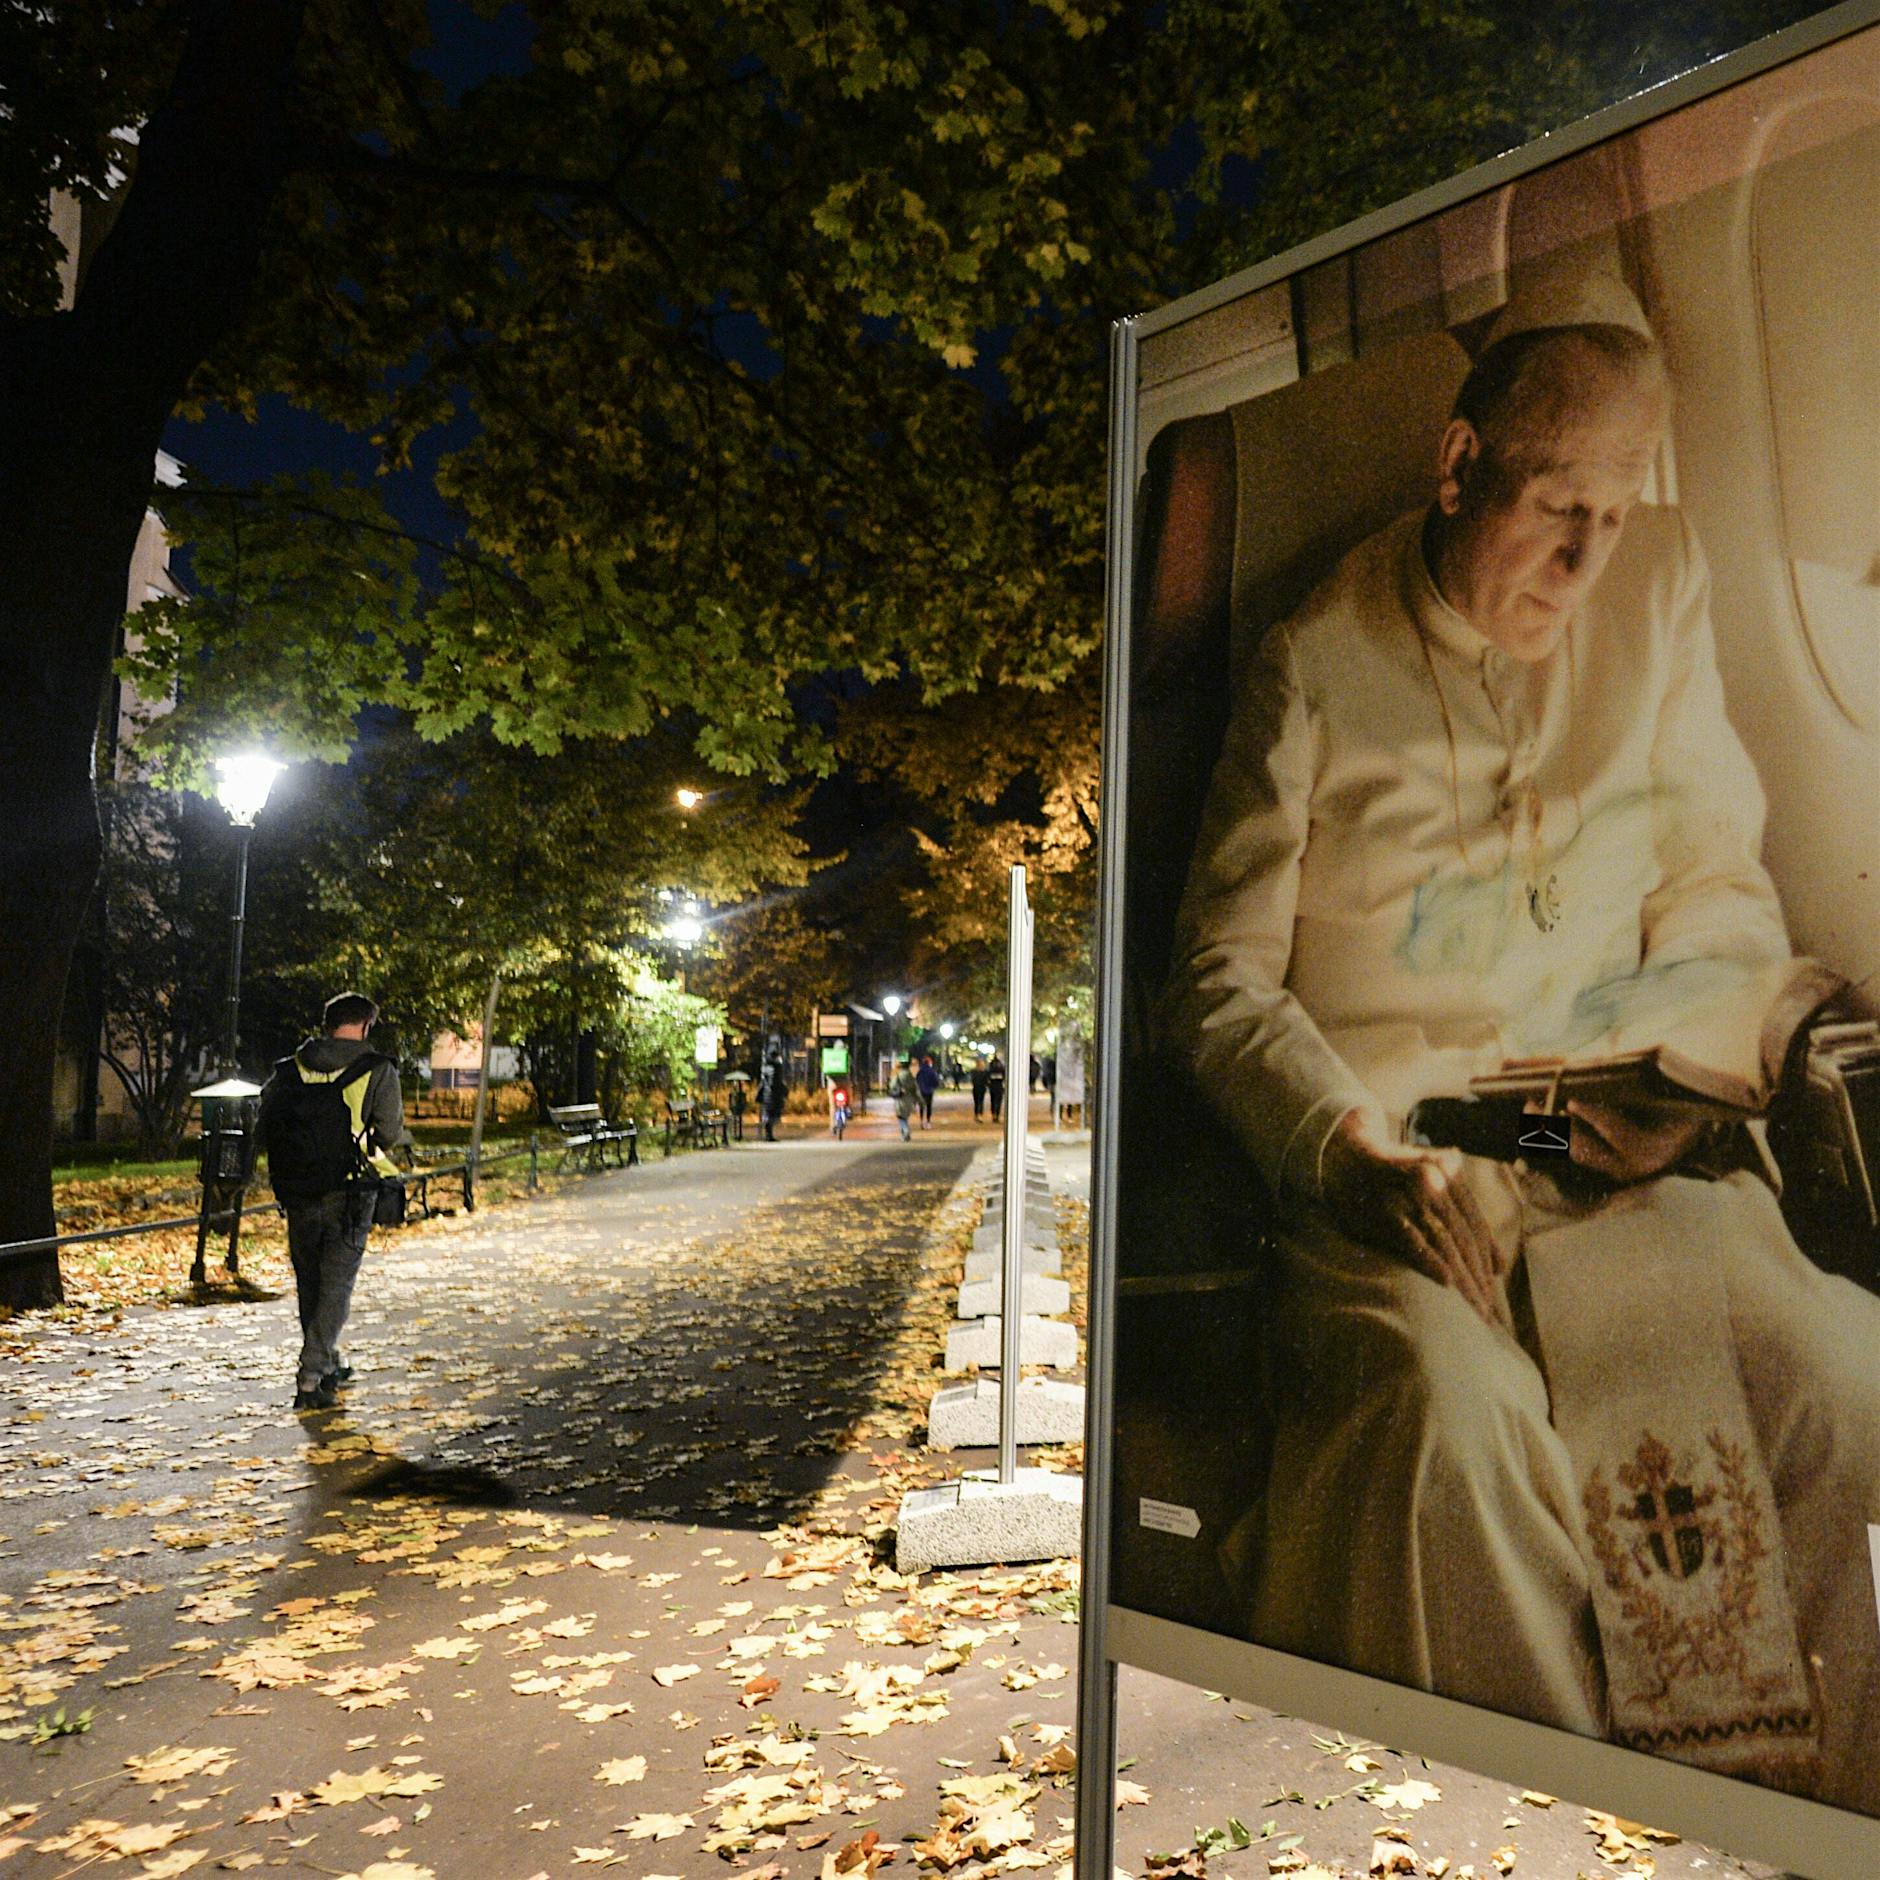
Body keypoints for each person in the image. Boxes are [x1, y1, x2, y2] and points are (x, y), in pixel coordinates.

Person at [1166, 269, 1880, 1807]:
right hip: (1400, 1166)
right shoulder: (1315, 658)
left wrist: (1688, 1076)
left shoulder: (1662, 590)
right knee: (1455, 1435)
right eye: (1557, 505)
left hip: (1607, 1150)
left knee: (1849, 1382)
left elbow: (1712, 884)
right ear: (1456, 465)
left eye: (1615, 519)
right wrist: (1349, 1153)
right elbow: (1217, 985)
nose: (1583, 559)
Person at [256, 991, 412, 1412]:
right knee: (337, 1284)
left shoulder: (290, 1068)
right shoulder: (377, 1070)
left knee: (311, 1281)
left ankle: (328, 1363)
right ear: (364, 1026)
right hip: (349, 1193)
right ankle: (311, 1375)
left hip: (298, 1189)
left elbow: (264, 1121)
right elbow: (390, 1133)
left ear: (327, 1024)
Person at [757, 1039, 787, 1143]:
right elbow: (776, 1083)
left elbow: (764, 1082)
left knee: (768, 1114)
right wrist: (783, 1091)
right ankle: (768, 1135)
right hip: (773, 1095)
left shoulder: (765, 1067)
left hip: (766, 1094)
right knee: (772, 1115)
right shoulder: (776, 1068)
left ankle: (768, 1134)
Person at [891, 1057, 919, 1142]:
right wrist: (917, 1101)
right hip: (909, 1099)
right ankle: (904, 1135)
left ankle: (906, 1131)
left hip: (900, 1098)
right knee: (904, 1117)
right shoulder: (911, 1076)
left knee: (900, 1117)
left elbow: (893, 1086)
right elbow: (915, 1089)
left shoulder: (898, 1075)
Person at [915, 1053, 940, 1128]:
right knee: (929, 1106)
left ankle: (921, 1121)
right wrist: (934, 1086)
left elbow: (917, 1080)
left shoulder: (920, 1071)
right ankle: (928, 1121)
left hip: (921, 1090)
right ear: (929, 1063)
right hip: (929, 1091)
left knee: (922, 1106)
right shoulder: (931, 1071)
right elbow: (935, 1081)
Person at [986, 1053, 1007, 1123]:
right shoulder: (1001, 1068)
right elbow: (1004, 1077)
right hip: (999, 1087)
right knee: (998, 1101)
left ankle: (994, 1115)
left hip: (992, 1086)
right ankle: (997, 1115)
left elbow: (987, 1077)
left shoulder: (990, 1067)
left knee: (993, 1101)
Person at [970, 1056, 989, 1122]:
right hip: (976, 1088)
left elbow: (986, 1081)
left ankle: (979, 1115)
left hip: (982, 1088)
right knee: (977, 1102)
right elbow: (973, 1080)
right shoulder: (974, 1071)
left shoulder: (985, 1072)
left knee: (980, 1102)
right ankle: (976, 1114)